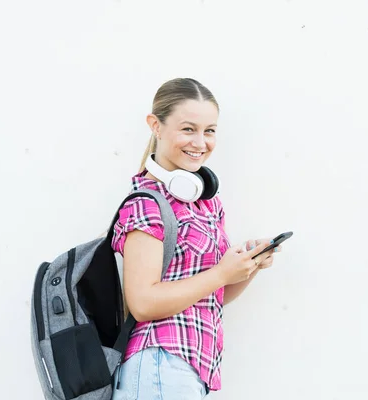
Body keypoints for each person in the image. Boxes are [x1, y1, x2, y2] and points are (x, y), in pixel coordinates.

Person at [110, 78, 282, 399]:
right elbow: (143, 303)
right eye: (188, 129)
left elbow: (211, 295)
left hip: (190, 368)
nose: (201, 142)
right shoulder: (147, 203)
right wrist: (220, 273)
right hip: (159, 362)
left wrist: (246, 268)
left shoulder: (207, 202)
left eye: (210, 130)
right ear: (155, 126)